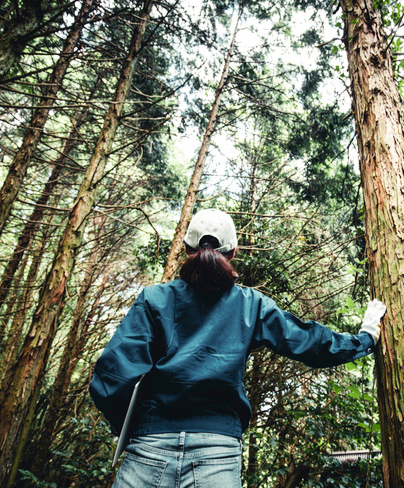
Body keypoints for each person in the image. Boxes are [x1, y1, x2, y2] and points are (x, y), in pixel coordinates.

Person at [90, 208, 387, 488]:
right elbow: (308, 342)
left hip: (149, 448)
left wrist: (136, 430)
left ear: (186, 249)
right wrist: (364, 339)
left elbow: (112, 377)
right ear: (233, 253)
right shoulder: (251, 304)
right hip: (218, 451)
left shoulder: (154, 298)